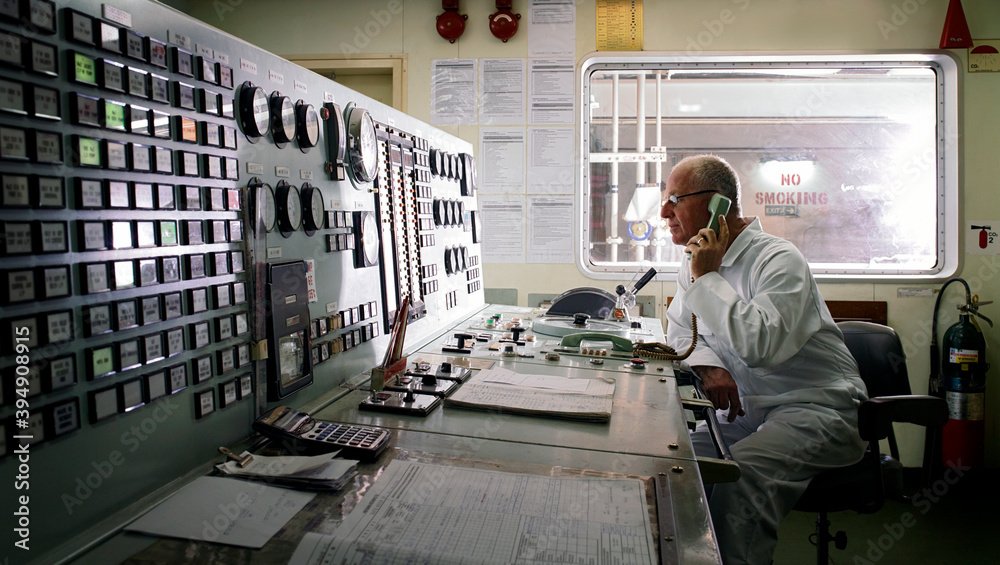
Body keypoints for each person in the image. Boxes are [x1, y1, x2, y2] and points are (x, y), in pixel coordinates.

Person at [662, 155, 868, 564]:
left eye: (675, 199)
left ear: (718, 203)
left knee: (741, 479)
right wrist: (710, 366)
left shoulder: (778, 259)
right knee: (673, 463)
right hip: (747, 412)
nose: (665, 211)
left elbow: (761, 345)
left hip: (815, 408)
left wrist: (708, 279)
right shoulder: (694, 264)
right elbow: (680, 330)